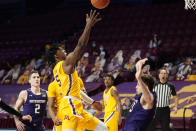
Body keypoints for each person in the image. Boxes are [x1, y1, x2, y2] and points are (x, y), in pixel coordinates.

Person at [45, 10, 108, 131]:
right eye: (60, 50)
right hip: (70, 106)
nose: (63, 49)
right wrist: (88, 25)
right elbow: (80, 46)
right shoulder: (65, 64)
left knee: (104, 129)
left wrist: (92, 102)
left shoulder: (57, 71)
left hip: (77, 106)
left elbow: (77, 90)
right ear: (56, 57)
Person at [124, 58, 157, 131]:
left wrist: (139, 79)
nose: (136, 87)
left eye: (138, 85)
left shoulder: (149, 97)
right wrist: (138, 66)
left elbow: (149, 99)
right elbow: (143, 77)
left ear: (146, 86)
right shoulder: (139, 96)